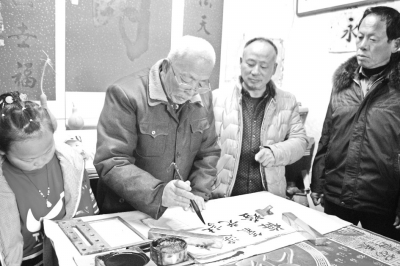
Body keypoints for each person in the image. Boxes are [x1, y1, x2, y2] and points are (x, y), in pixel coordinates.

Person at [94, 35, 220, 219]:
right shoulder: (126, 94)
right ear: (167, 67)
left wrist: (199, 193)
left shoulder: (202, 99)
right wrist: (158, 194)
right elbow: (112, 161)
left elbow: (208, 152)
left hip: (176, 214)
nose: (192, 90)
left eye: (201, 83)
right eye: (186, 79)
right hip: (126, 212)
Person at [310, 6, 400, 241]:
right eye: (360, 37)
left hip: (383, 202)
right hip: (337, 195)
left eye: (373, 39)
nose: (362, 44)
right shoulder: (343, 83)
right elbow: (327, 135)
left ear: (396, 44)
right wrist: (318, 180)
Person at [0, 91, 99, 266]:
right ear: (2, 150)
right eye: (29, 160)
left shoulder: (70, 163)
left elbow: (85, 213)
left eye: (47, 150)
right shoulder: (3, 180)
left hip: (65, 254)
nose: (40, 161)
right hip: (22, 260)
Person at [212, 37, 308, 199]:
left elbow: (301, 141)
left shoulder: (287, 101)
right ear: (241, 62)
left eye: (263, 66)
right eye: (250, 64)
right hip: (224, 196)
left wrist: (276, 152)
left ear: (274, 68)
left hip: (268, 197)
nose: (255, 71)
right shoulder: (216, 98)